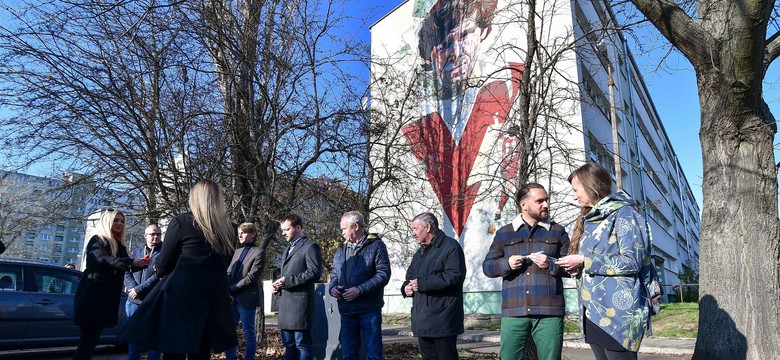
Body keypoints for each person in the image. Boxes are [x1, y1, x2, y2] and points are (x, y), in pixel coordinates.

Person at [403, 0, 523, 237]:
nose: (457, 56)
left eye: (465, 35)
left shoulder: (509, 88)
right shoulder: (420, 126)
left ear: (483, 32)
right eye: (446, 44)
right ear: (430, 57)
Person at [119, 179, 238, 360]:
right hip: (213, 300)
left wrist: (159, 269)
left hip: (181, 299)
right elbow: (225, 263)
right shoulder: (230, 229)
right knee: (201, 353)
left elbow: (164, 264)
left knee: (173, 352)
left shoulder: (182, 222)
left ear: (195, 199)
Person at [555, 163, 653, 360]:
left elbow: (632, 261)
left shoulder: (624, 213)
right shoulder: (590, 218)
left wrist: (585, 261)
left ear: (591, 185)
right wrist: (578, 267)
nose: (574, 196)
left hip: (618, 314)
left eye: (576, 190)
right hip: (592, 312)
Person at [482, 183, 570, 360]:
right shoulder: (505, 233)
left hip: (549, 313)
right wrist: (506, 264)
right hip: (514, 312)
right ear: (524, 204)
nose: (545, 204)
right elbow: (487, 267)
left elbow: (571, 268)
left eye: (546, 200)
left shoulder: (557, 231)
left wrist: (550, 265)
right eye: (539, 201)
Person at [73, 209, 149, 360]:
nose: (120, 223)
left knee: (92, 340)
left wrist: (143, 264)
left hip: (105, 298)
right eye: (116, 220)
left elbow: (123, 265)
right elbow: (104, 260)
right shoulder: (98, 240)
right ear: (107, 221)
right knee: (88, 340)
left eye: (122, 221)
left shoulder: (119, 244)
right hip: (92, 297)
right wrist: (132, 262)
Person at [401, 212, 466, 360]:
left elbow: (454, 277)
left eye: (415, 229)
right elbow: (410, 277)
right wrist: (406, 288)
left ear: (428, 227)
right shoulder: (419, 253)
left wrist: (422, 284)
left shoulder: (450, 247)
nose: (412, 233)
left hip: (443, 320)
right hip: (423, 320)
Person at [328, 211, 391, 360]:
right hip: (346, 311)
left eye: (344, 228)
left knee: (374, 354)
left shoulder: (376, 246)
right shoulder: (340, 250)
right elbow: (335, 274)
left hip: (369, 310)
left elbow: (383, 274)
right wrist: (333, 288)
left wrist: (360, 290)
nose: (342, 232)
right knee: (349, 355)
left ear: (355, 226)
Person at [273, 214, 322, 360]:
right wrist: (278, 285)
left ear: (298, 228)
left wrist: (287, 281)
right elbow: (287, 274)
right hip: (286, 305)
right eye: (282, 230)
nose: (283, 233)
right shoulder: (286, 249)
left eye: (287, 229)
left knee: (302, 345)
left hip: (300, 307)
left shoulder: (310, 246)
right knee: (289, 345)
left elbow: (314, 273)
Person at [225, 223, 265, 360]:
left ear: (253, 234)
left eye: (243, 232)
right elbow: (229, 272)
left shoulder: (259, 252)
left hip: (246, 298)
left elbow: (252, 277)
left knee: (248, 332)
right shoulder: (236, 252)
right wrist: (226, 288)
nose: (239, 235)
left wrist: (233, 288)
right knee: (230, 331)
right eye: (239, 233)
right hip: (231, 298)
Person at [123, 224, 163, 360]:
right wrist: (132, 288)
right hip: (133, 301)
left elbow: (159, 276)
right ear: (145, 236)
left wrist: (138, 289)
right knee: (134, 339)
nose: (155, 237)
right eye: (152, 234)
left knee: (154, 339)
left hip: (154, 301)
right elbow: (126, 272)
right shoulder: (135, 252)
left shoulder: (164, 254)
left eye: (158, 234)